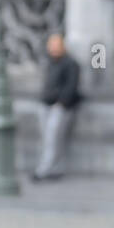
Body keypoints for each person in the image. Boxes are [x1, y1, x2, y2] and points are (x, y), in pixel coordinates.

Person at [33, 32, 81, 182]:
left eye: (56, 45)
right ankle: (55, 168)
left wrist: (61, 103)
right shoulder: (50, 62)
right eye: (51, 45)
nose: (53, 48)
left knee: (52, 138)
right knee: (48, 139)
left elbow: (70, 87)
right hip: (46, 105)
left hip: (59, 107)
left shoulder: (71, 63)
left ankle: (43, 170)